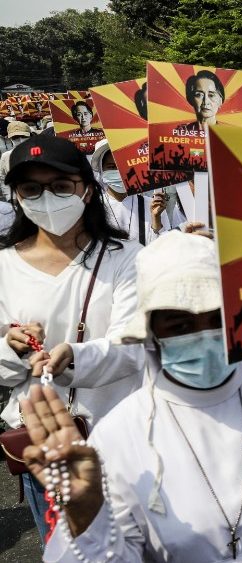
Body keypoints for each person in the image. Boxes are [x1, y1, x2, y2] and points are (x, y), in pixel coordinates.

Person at [18, 231, 242, 561]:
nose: (204, 336)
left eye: (216, 319)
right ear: (151, 333)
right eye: (181, 326)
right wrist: (86, 513)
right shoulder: (122, 434)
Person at [0, 135, 143, 542]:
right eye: (32, 189)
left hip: (122, 438)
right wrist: (11, 351)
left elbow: (132, 348)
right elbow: (4, 373)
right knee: (70, 549)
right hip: (45, 448)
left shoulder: (124, 257)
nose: (47, 198)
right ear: (17, 196)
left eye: (61, 186)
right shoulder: (4, 266)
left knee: (136, 547)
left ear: (86, 189)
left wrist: (73, 357)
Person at [93, 140, 171, 245]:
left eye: (123, 166)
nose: (119, 172)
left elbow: (164, 249)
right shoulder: (93, 207)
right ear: (102, 170)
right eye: (111, 167)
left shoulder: (152, 206)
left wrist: (156, 221)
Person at [0, 120, 32, 198]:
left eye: (23, 137)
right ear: (10, 138)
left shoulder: (40, 152)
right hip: (18, 198)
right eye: (15, 138)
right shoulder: (6, 156)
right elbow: (3, 179)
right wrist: (11, 197)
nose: (20, 140)